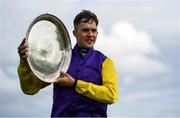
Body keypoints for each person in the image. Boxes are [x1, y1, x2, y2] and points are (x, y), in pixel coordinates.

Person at [17, 10, 118, 117]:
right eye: (85, 30)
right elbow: (29, 89)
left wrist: (75, 84)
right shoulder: (59, 60)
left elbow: (111, 95)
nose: (90, 35)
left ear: (97, 33)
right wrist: (24, 62)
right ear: (74, 33)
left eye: (93, 31)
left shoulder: (105, 62)